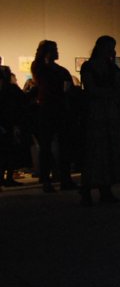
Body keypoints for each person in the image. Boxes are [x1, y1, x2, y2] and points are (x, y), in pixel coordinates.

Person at [78, 35, 120, 206]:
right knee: (96, 152)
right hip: (97, 113)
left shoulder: (110, 68)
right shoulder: (90, 67)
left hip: (108, 113)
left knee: (106, 152)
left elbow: (117, 89)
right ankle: (88, 189)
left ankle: (104, 189)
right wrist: (110, 92)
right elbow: (92, 89)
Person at [30, 40, 78, 193]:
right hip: (49, 109)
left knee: (62, 146)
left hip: (58, 109)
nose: (57, 51)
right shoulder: (42, 67)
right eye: (54, 49)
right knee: (47, 146)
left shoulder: (58, 69)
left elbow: (67, 87)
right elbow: (46, 83)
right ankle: (49, 180)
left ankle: (63, 178)